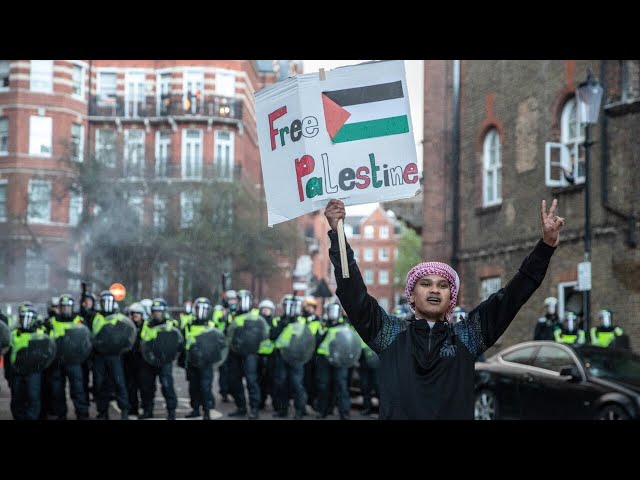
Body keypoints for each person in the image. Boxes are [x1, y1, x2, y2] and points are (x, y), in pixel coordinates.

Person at [323, 198, 565, 420]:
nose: (434, 290)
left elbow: (512, 297)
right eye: (425, 284)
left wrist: (545, 247)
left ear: (451, 297)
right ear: (412, 296)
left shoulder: (467, 337)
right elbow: (352, 292)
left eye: (442, 285)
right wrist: (337, 233)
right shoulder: (390, 334)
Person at [46, 294, 90, 420]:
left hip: (74, 361)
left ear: (72, 307)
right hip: (57, 362)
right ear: (59, 308)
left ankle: (82, 414)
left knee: (78, 390)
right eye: (63, 307)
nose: (66, 309)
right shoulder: (51, 322)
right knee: (57, 391)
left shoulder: (79, 320)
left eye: (68, 307)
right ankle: (61, 415)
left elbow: (86, 340)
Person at [92, 290, 130, 420]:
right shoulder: (96, 317)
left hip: (115, 355)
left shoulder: (118, 318)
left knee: (119, 382)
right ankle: (102, 412)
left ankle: (124, 411)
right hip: (100, 356)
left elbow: (124, 336)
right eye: (103, 302)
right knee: (100, 384)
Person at [138, 298, 178, 420]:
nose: (157, 313)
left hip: (165, 361)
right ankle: (147, 410)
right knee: (147, 387)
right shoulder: (146, 324)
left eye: (159, 311)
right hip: (149, 360)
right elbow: (143, 341)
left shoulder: (171, 324)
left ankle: (171, 412)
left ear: (164, 311)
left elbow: (176, 343)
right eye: (154, 311)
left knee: (167, 386)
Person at [227, 289, 262, 419]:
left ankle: (254, 408)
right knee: (234, 380)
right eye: (239, 300)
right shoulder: (233, 314)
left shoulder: (256, 314)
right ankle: (241, 407)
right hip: (235, 352)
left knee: (251, 381)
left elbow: (262, 332)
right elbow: (228, 331)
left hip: (250, 353)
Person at [8, 302, 47, 420]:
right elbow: (8, 354)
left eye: (29, 318)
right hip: (17, 371)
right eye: (23, 317)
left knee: (33, 397)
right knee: (17, 399)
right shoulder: (13, 333)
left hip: (34, 371)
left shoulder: (40, 332)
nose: (26, 321)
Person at [271, 294, 308, 419]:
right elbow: (273, 336)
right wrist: (282, 325)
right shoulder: (278, 320)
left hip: (296, 358)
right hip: (282, 356)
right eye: (287, 306)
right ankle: (282, 409)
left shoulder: (302, 321)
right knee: (281, 383)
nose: (290, 309)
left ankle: (299, 410)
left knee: (297, 384)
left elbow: (306, 339)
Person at [183, 297, 216, 420]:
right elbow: (184, 341)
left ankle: (206, 411)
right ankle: (195, 409)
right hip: (192, 361)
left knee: (205, 387)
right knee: (193, 387)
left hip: (206, 362)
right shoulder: (189, 324)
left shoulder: (212, 325)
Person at [123, 302, 145, 418]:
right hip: (129, 360)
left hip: (142, 362)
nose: (135, 316)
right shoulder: (126, 327)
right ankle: (132, 408)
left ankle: (145, 408)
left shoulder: (146, 327)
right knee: (130, 386)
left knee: (144, 386)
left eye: (138, 314)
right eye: (133, 314)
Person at [256, 299, 277, 411]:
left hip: (271, 356)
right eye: (264, 309)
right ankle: (261, 402)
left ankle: (275, 403)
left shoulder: (275, 322)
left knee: (272, 380)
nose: (266, 311)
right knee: (259, 380)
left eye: (268, 309)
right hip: (258, 355)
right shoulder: (257, 322)